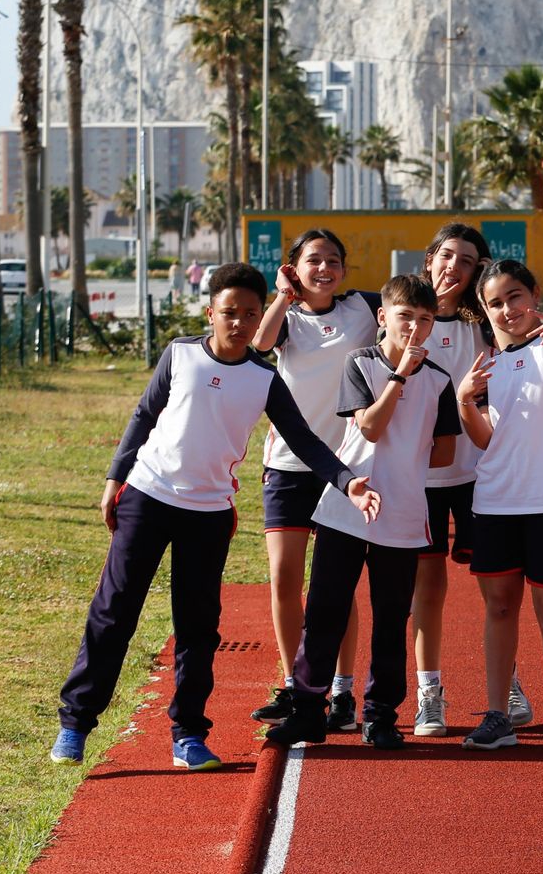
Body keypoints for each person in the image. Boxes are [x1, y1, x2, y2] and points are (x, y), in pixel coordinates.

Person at [49, 263, 380, 770]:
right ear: (211, 313)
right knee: (114, 611)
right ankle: (75, 723)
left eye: (250, 314)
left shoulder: (264, 378)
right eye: (230, 313)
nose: (241, 323)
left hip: (208, 513)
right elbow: (144, 414)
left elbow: (304, 440)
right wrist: (115, 478)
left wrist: (345, 479)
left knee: (199, 625)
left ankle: (188, 734)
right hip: (147, 496)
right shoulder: (181, 353)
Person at [265, 275, 460, 750]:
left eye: (426, 319)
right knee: (326, 610)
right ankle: (310, 709)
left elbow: (444, 454)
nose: (415, 327)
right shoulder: (361, 364)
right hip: (346, 508)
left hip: (404, 513)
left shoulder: (439, 380)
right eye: (405, 317)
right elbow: (370, 429)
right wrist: (399, 379)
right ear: (383, 319)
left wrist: (406, 461)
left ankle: (381, 716)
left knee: (391, 618)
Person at [456, 260, 543, 753]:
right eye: (495, 302)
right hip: (495, 500)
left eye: (515, 296)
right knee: (499, 608)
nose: (507, 309)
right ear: (483, 309)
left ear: (534, 294)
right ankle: (498, 715)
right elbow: (484, 440)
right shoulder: (485, 364)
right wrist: (464, 402)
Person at [248, 230, 379, 732]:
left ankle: (341, 691)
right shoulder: (287, 318)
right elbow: (260, 346)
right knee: (284, 579)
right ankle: (295, 684)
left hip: (345, 469)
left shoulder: (364, 309)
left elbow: (420, 301)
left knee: (336, 588)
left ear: (344, 270)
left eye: (332, 261)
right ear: (293, 268)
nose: (323, 268)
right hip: (287, 465)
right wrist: (283, 295)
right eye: (312, 261)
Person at [410, 223, 533, 737]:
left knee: (496, 592)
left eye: (466, 262)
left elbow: (527, 335)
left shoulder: (481, 326)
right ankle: (429, 693)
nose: (452, 268)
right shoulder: (404, 317)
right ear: (430, 258)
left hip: (480, 475)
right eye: (446, 256)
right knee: (427, 592)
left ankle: (506, 684)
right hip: (420, 477)